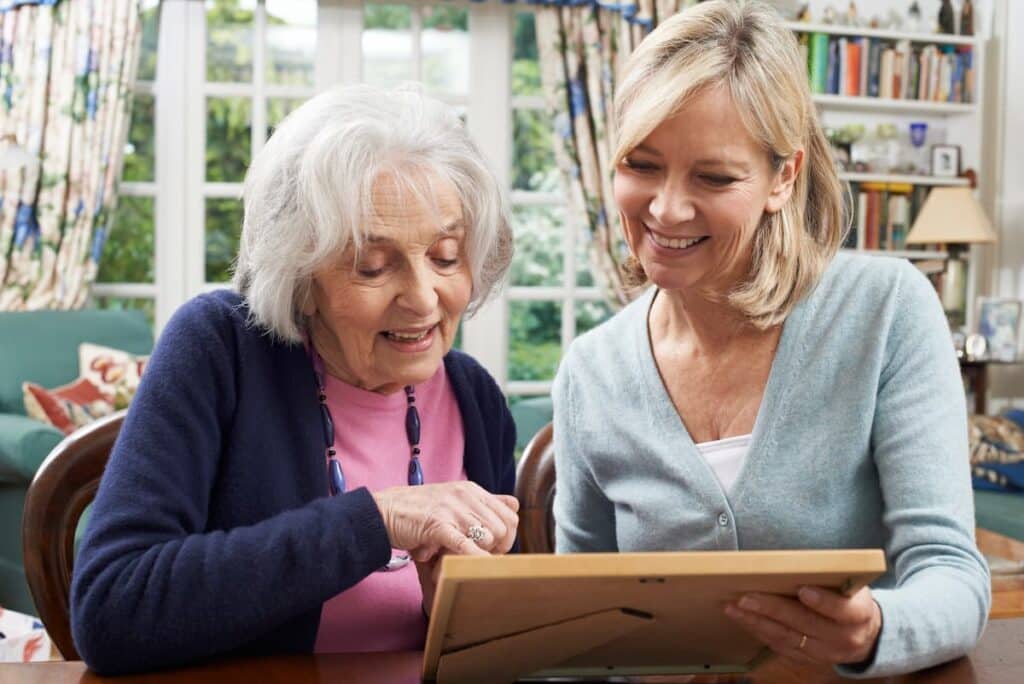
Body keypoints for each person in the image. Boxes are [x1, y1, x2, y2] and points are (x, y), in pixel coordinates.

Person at [552, 1, 990, 677]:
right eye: (641, 165)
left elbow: (955, 578)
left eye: (714, 177)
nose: (666, 208)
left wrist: (874, 630)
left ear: (783, 177)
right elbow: (578, 628)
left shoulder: (885, 311)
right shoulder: (591, 371)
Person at [71, 84, 519, 674]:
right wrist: (375, 521)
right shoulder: (219, 350)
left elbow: (499, 650)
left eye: (445, 256)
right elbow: (112, 607)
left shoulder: (475, 398)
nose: (421, 299)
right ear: (300, 274)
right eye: (372, 266)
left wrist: (463, 617)